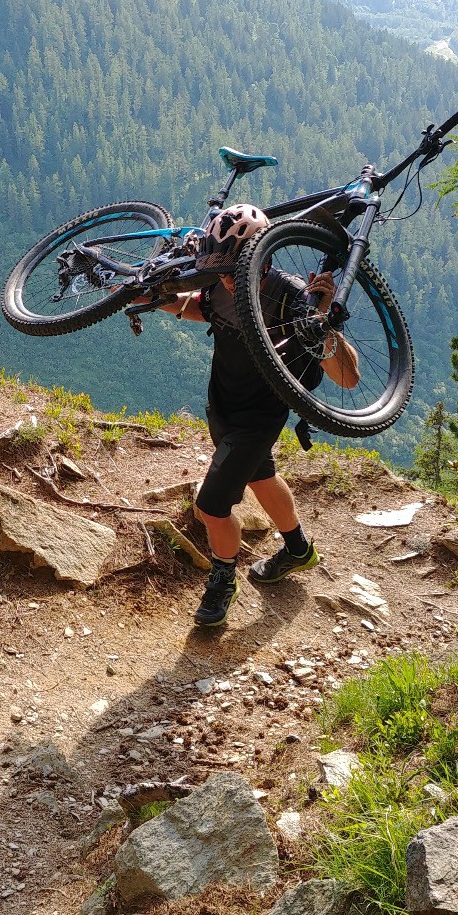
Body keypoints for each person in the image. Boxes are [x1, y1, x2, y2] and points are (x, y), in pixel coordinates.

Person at [140, 204, 360, 628]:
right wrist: (147, 297)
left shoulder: (293, 295)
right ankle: (298, 550)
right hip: (222, 406)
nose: (225, 279)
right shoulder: (220, 283)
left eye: (233, 268)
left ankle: (223, 579)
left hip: (258, 418)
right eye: (218, 269)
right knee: (260, 476)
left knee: (212, 506)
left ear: (260, 255)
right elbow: (196, 307)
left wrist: (323, 321)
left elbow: (349, 378)